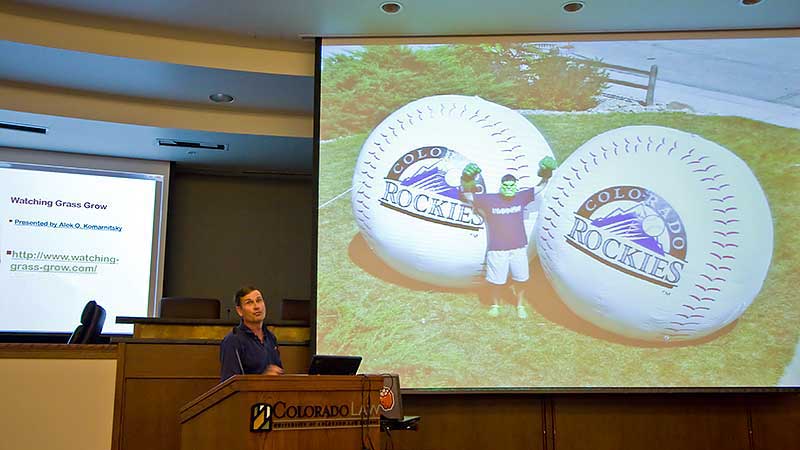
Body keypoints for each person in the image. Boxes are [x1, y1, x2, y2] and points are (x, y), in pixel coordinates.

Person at [460, 156, 557, 319]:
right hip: (497, 249)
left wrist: (546, 173)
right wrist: (467, 179)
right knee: (496, 282)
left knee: (521, 279)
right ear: (501, 186)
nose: (509, 188)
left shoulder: (521, 197)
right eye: (506, 185)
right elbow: (468, 195)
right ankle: (495, 304)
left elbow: (540, 187)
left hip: (518, 248)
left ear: (515, 186)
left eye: (512, 185)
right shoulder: (490, 200)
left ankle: (520, 305)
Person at [219, 286, 284, 381]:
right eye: (249, 303)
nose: (256, 306)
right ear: (239, 311)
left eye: (259, 300)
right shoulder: (233, 340)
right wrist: (263, 380)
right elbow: (229, 385)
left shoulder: (271, 337)